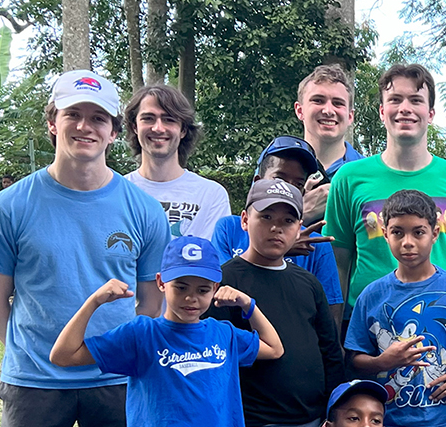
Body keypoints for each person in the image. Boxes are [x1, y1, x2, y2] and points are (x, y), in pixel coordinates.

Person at [0, 69, 171, 427]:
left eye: (98, 118)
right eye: (73, 115)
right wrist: (34, 353)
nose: (85, 127)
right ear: (52, 123)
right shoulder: (10, 205)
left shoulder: (142, 210)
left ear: (113, 131)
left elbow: (151, 301)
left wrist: (121, 356)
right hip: (35, 380)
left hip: (117, 381)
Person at [51, 236, 283, 427]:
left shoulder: (223, 334)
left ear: (215, 288)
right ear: (161, 283)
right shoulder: (141, 334)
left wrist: (248, 305)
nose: (191, 298)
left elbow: (274, 348)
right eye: (181, 287)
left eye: (202, 289)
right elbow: (63, 355)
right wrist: (94, 301)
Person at [209, 177, 344, 427]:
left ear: (299, 227)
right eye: (266, 217)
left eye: (287, 220)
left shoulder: (307, 282)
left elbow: (329, 351)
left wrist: (334, 410)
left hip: (312, 424)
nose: (276, 228)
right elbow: (214, 359)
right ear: (244, 219)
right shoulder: (223, 281)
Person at [324, 64, 446, 303]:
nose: (405, 109)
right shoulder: (349, 178)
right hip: (371, 334)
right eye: (395, 99)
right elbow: (338, 266)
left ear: (430, 114)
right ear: (382, 112)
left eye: (415, 100)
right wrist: (334, 338)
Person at [345, 189, 446, 427]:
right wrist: (383, 361)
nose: (408, 242)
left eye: (418, 232)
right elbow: (355, 358)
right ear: (385, 233)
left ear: (435, 233)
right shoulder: (372, 296)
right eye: (398, 232)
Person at [209, 136, 346, 323]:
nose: (286, 188)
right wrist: (277, 250)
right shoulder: (229, 228)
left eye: (298, 184)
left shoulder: (316, 245)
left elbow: (331, 314)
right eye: (279, 178)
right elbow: (220, 289)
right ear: (257, 181)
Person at [123, 84, 231, 240]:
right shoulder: (118, 193)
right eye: (148, 118)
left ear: (183, 130)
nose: (158, 128)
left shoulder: (211, 195)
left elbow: (209, 260)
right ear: (134, 127)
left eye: (169, 120)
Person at [294, 63, 365, 228]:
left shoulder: (367, 174)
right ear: (299, 110)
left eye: (338, 103)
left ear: (350, 116)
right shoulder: (278, 167)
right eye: (318, 100)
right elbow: (252, 239)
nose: (328, 110)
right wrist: (301, 211)